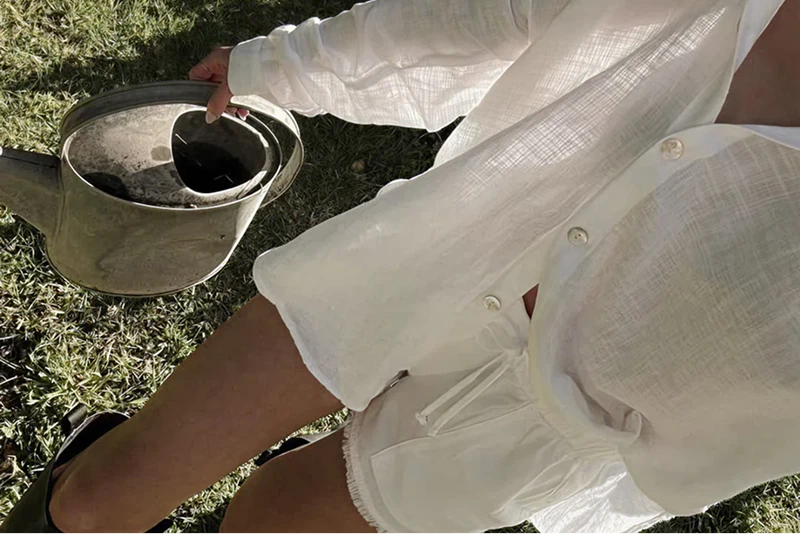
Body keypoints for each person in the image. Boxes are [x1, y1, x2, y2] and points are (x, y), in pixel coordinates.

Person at [3, 0, 800, 533]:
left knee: (263, 521)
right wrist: (277, 65)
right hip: (429, 261)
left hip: (551, 412)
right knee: (101, 502)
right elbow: (493, 15)